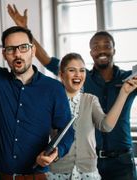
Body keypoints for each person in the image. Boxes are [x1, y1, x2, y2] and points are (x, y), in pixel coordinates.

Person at [7, 4, 137, 179]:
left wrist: (125, 91)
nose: (102, 50)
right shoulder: (79, 80)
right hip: (85, 163)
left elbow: (106, 125)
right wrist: (24, 30)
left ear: (114, 49)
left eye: (106, 45)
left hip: (121, 162)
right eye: (96, 47)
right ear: (91, 52)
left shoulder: (129, 80)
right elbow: (46, 60)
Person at [0, 1, 74, 179]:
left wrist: (56, 152)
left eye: (23, 48)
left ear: (32, 50)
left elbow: (67, 130)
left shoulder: (54, 88)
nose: (17, 54)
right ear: (4, 54)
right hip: (0, 176)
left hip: (36, 176)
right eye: (11, 49)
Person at [45, 53, 137, 180]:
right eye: (72, 70)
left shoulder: (91, 100)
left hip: (88, 173)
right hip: (58, 172)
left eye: (82, 70)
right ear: (61, 75)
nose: (78, 74)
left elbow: (106, 126)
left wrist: (124, 93)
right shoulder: (51, 101)